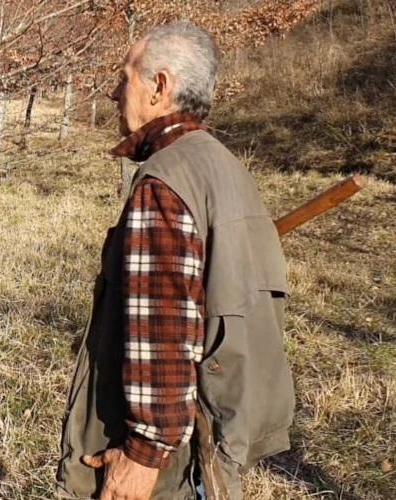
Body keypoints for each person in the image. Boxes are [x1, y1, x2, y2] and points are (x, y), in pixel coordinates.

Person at [56, 22, 295, 500]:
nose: (113, 91)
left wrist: (144, 455)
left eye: (125, 77)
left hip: (171, 460)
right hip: (220, 433)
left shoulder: (163, 181)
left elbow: (162, 324)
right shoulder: (224, 165)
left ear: (159, 87)